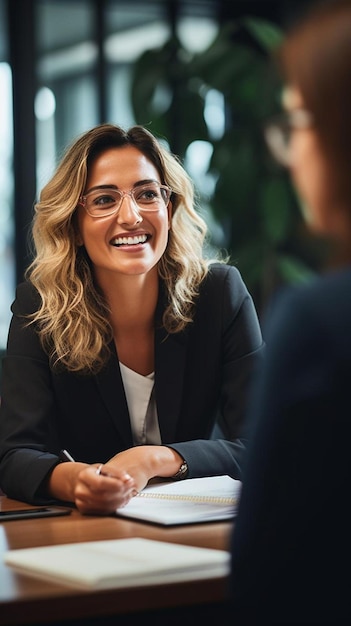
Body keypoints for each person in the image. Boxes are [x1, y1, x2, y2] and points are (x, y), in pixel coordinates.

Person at [0, 123, 264, 515]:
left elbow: (264, 440)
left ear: (168, 209)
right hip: (86, 533)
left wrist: (157, 459)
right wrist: (77, 480)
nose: (132, 215)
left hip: (197, 528)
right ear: (74, 224)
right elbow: (15, 455)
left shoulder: (219, 294)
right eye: (105, 200)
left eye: (146, 194)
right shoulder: (41, 307)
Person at [229, 0, 351, 622]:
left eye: (299, 122)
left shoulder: (321, 322)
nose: (290, 152)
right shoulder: (41, 306)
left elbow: (265, 581)